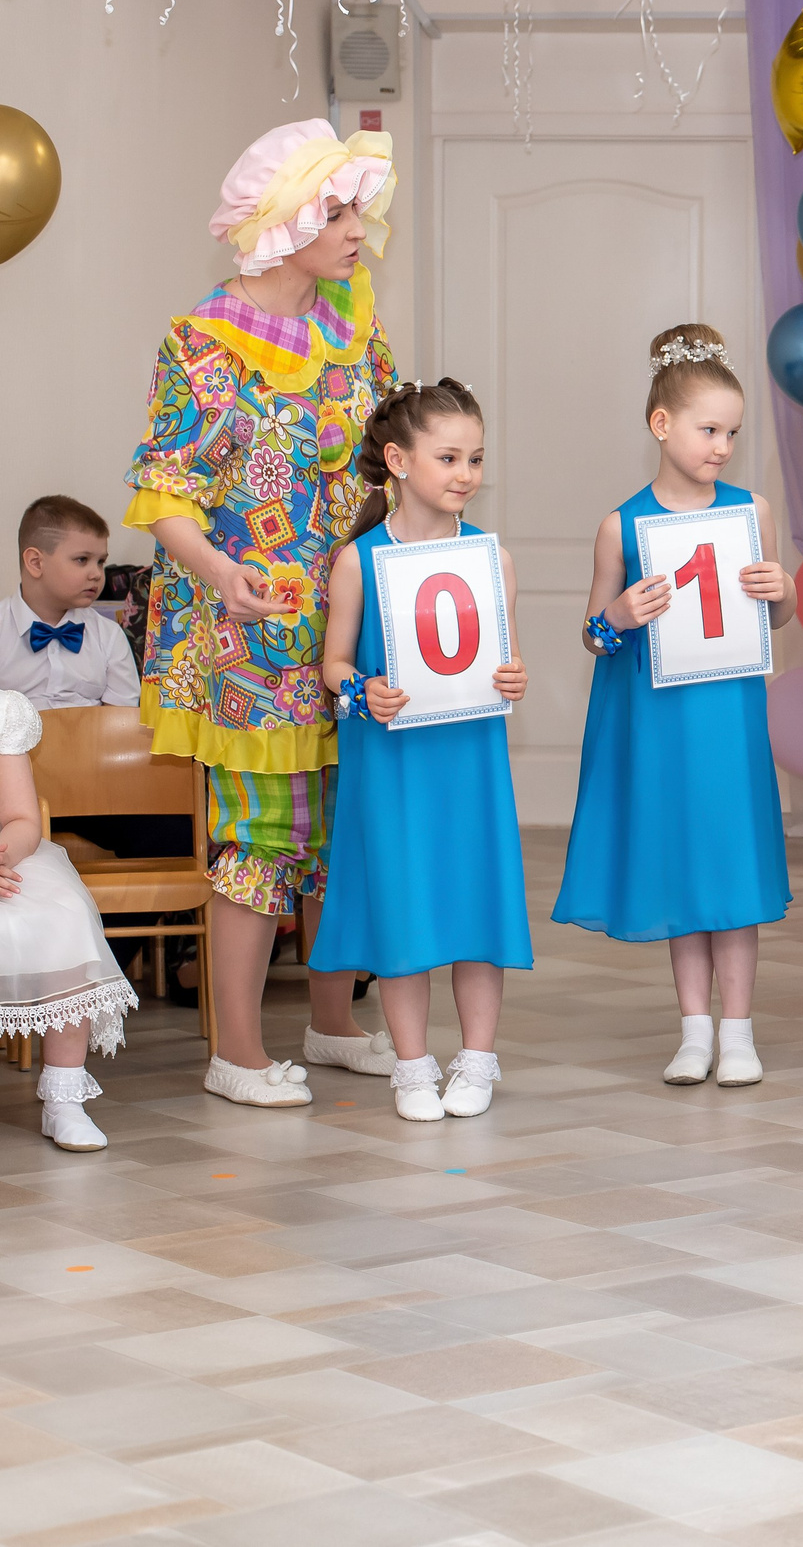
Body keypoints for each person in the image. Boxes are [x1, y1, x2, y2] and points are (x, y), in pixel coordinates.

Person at [126, 120, 402, 1105]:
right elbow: (164, 492)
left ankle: (330, 1022)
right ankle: (234, 1050)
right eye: (334, 210)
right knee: (260, 829)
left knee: (334, 822)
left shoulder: (352, 331)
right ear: (282, 221)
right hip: (245, 634)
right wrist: (225, 571)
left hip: (341, 623)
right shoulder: (203, 340)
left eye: (356, 207)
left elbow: (384, 462)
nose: (356, 227)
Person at [553, 325, 792, 1089]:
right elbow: (594, 635)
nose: (722, 445)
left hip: (726, 715)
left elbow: (774, 622)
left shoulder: (750, 510)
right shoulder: (620, 525)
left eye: (732, 432)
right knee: (680, 863)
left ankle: (740, 1029)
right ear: (663, 426)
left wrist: (780, 594)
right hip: (658, 719)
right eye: (709, 429)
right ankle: (694, 1030)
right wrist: (618, 614)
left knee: (730, 861)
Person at [308, 381, 532, 1123]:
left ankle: (477, 1056)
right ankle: (411, 1063)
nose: (465, 472)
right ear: (400, 461)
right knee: (405, 905)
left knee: (475, 900)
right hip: (394, 765)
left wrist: (512, 674)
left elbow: (503, 659)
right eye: (448, 457)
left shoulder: (489, 556)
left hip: (467, 758)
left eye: (475, 457)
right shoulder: (359, 561)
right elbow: (333, 662)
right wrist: (358, 689)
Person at [0, 689, 137, 1150]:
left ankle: (64, 1097)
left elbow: (21, 818)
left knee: (62, 915)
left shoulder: (4, 711)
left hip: (4, 863)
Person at [2, 497, 140, 710]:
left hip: (92, 742)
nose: (96, 574)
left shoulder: (109, 636)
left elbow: (120, 723)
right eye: (82, 560)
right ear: (36, 563)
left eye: (100, 562)